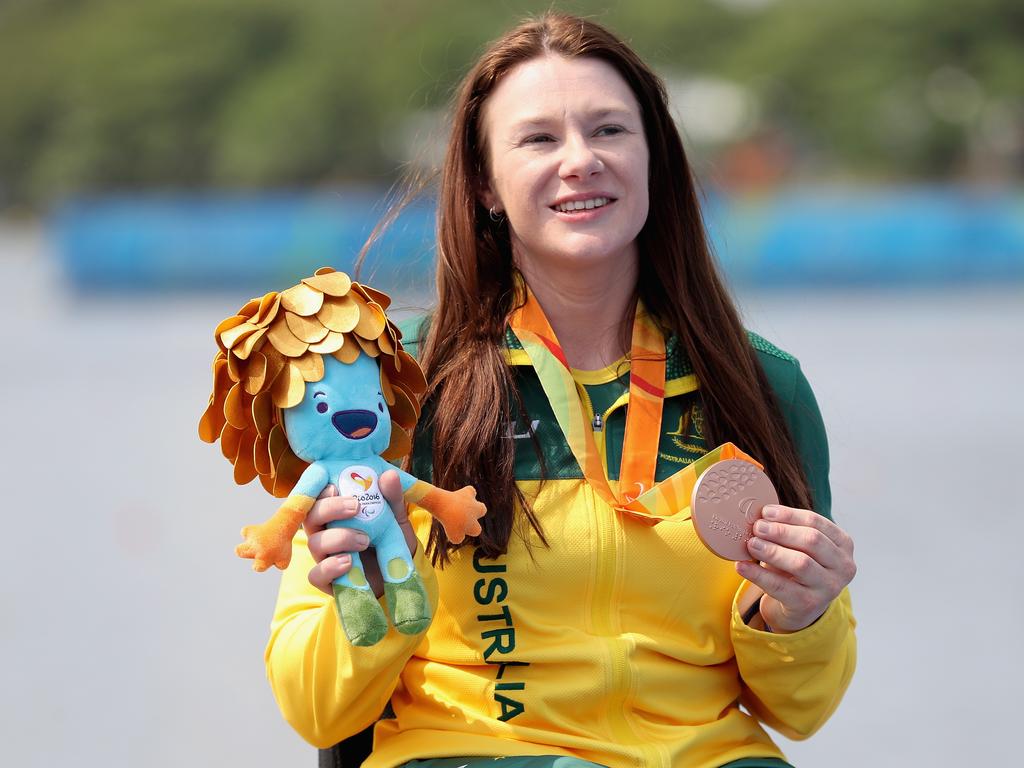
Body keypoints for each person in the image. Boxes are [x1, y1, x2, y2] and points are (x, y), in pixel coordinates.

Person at [266, 13, 856, 768]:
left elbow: (802, 710)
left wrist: (799, 614)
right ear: (484, 183)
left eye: (610, 131)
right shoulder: (391, 386)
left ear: (655, 160)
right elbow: (316, 708)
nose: (581, 160)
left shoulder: (761, 384)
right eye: (539, 139)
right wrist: (376, 588)